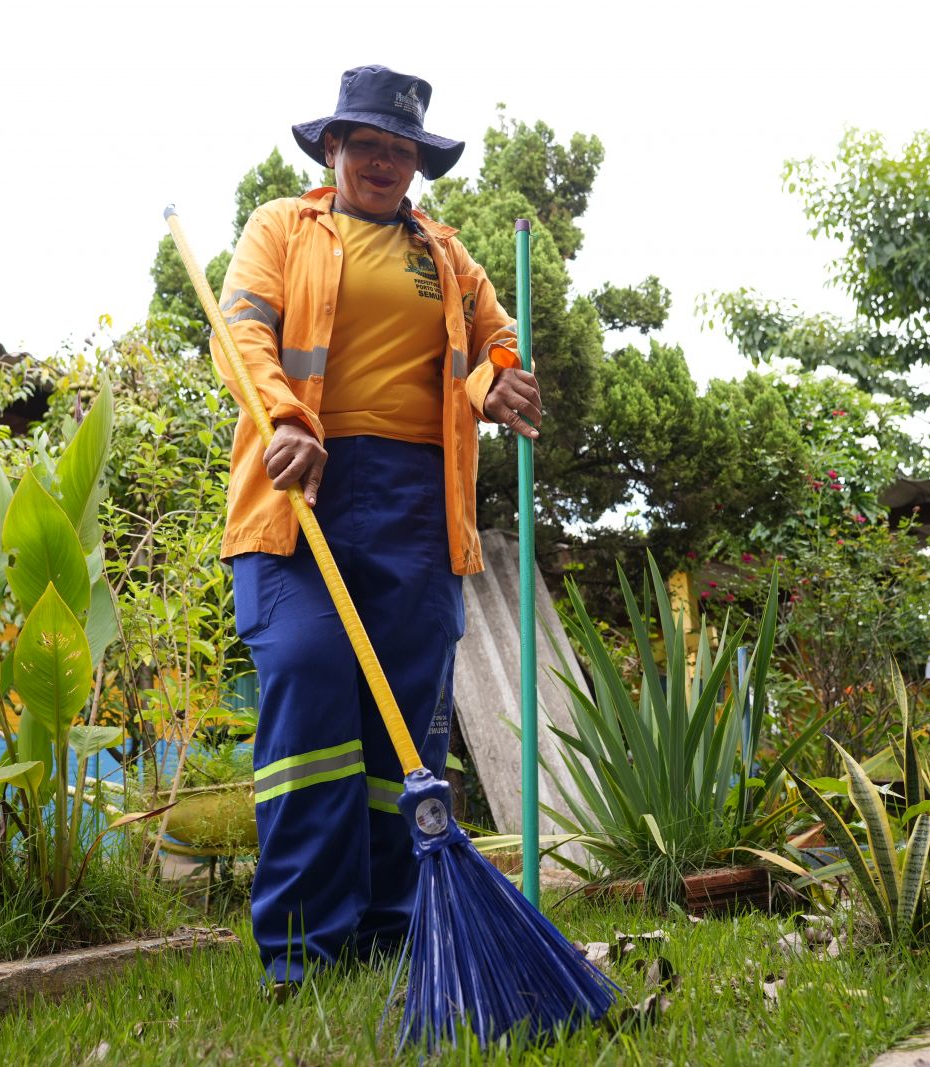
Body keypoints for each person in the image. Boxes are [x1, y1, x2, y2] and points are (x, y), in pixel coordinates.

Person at [210, 64, 541, 989]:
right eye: (369, 146)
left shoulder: (444, 254)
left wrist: (499, 381)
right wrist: (284, 418)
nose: (387, 163)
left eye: (403, 151)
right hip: (299, 494)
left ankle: (396, 931)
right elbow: (240, 330)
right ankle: (304, 944)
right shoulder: (284, 226)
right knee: (311, 682)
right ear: (333, 148)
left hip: (418, 510)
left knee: (406, 730)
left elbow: (495, 341)